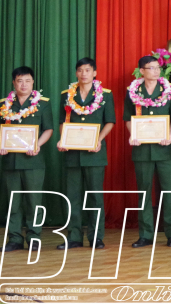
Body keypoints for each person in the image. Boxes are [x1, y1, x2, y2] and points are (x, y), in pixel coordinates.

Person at [57, 57, 116, 250]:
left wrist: (99, 139)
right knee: (72, 196)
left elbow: (110, 121)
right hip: (72, 153)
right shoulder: (66, 95)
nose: (84, 74)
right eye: (80, 70)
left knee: (95, 196)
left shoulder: (105, 95)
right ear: (76, 73)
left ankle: (96, 237)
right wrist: (63, 139)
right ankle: (73, 236)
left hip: (94, 153)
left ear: (95, 73)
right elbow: (62, 122)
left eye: (88, 70)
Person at [0, 66, 53, 252]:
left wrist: (37, 145)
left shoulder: (42, 104)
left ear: (33, 82)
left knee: (34, 201)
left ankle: (34, 238)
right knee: (13, 202)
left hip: (33, 161)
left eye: (27, 81)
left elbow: (48, 129)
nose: (24, 84)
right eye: (20, 81)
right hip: (10, 160)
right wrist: (1, 144)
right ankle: (14, 239)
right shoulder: (5, 104)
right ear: (14, 83)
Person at [124, 56, 171, 248]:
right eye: (151, 68)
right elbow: (128, 118)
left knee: (169, 192)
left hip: (164, 149)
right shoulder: (133, 91)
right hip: (142, 150)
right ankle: (146, 235)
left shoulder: (169, 90)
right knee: (144, 193)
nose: (156, 71)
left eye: (158, 68)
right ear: (142, 71)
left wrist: (170, 134)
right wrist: (133, 134)